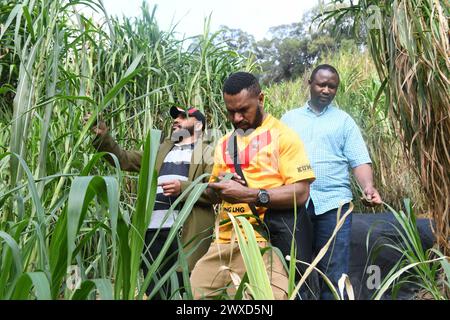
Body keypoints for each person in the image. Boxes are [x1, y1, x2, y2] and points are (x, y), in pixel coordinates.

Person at [190, 72, 316, 300]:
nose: (237, 118)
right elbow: (211, 194)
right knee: (193, 295)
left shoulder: (283, 136)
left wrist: (248, 194)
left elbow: (300, 193)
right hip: (223, 242)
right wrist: (219, 186)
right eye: (230, 112)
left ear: (261, 99)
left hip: (262, 242)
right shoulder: (224, 143)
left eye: (243, 110)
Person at [88, 106, 215, 299]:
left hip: (185, 235)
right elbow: (123, 159)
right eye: (175, 117)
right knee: (154, 290)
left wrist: (184, 188)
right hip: (152, 233)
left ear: (198, 124)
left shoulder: (208, 153)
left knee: (183, 291)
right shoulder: (159, 150)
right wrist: (103, 136)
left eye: (183, 117)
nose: (176, 120)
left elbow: (216, 191)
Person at [281, 64, 382, 300]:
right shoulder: (289, 119)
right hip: (296, 204)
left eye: (332, 86)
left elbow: (359, 160)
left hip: (334, 205)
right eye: (321, 84)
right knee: (296, 271)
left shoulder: (343, 121)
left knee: (334, 273)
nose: (326, 90)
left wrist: (368, 187)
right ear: (310, 84)